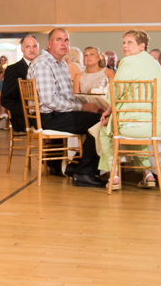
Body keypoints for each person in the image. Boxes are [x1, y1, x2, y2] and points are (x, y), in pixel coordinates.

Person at [96, 30, 161, 190]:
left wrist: (109, 109)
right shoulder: (154, 63)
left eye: (130, 42)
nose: (125, 46)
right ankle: (148, 175)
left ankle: (115, 176)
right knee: (133, 127)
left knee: (106, 129)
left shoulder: (129, 62)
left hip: (139, 125)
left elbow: (115, 92)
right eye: (124, 42)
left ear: (142, 46)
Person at [27, 28, 104, 188]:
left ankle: (75, 166)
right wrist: (82, 107)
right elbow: (50, 100)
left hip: (56, 114)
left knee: (99, 116)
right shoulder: (43, 64)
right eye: (59, 40)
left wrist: (87, 106)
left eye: (66, 40)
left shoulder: (60, 64)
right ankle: (83, 173)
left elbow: (67, 97)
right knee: (101, 121)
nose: (64, 43)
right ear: (49, 44)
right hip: (47, 117)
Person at [0, 35, 39, 134]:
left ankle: (57, 149)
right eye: (28, 47)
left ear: (38, 49)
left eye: (34, 46)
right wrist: (28, 112)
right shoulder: (13, 70)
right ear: (22, 49)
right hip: (24, 117)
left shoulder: (45, 68)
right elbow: (6, 100)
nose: (32, 50)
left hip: (44, 113)